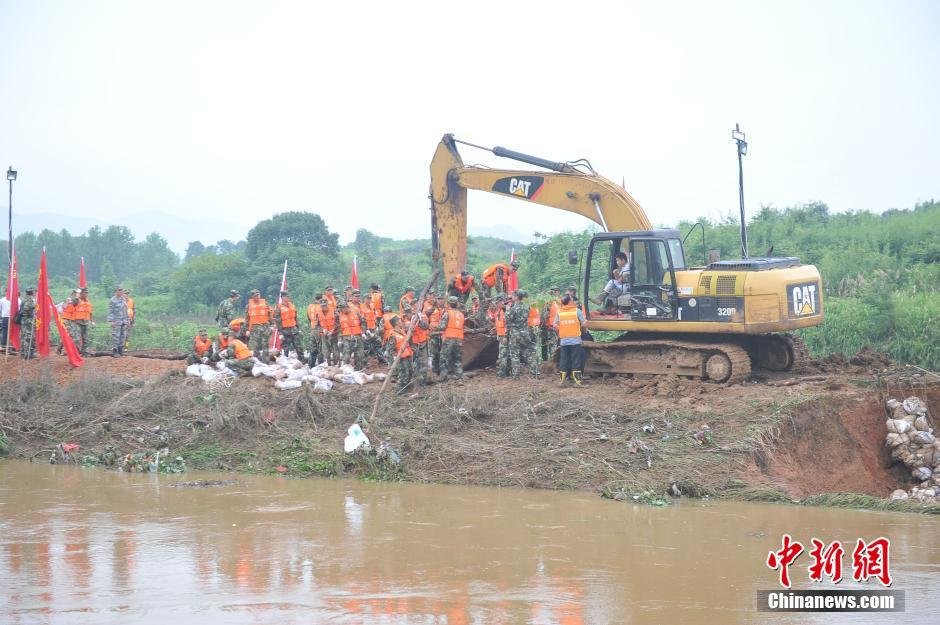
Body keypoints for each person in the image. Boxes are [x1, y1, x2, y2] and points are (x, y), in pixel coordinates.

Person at [553, 294, 587, 385]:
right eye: (571, 299)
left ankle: (562, 381)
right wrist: (583, 332)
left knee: (564, 359)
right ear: (569, 301)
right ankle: (577, 381)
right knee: (576, 360)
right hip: (575, 340)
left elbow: (555, 325)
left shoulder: (559, 312)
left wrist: (560, 333)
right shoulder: (576, 311)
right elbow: (584, 324)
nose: (572, 300)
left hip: (564, 340)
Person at [507, 289, 538, 379]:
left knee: (515, 354)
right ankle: (535, 372)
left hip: (515, 334)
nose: (512, 297)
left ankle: (516, 375)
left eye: (513, 296)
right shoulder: (526, 307)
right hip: (525, 333)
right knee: (528, 353)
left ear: (517, 297)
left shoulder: (513, 308)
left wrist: (508, 310)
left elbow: (508, 319)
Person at [437, 295, 465, 381]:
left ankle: (443, 377)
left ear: (449, 304)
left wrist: (435, 327)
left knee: (444, 357)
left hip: (449, 338)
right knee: (457, 357)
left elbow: (442, 326)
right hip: (459, 338)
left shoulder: (447, 313)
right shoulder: (461, 314)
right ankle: (459, 375)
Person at [406, 303, 431, 385]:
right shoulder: (408, 319)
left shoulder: (421, 317)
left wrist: (419, 320)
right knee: (416, 362)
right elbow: (407, 330)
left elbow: (426, 326)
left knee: (424, 361)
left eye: (408, 313)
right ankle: (416, 379)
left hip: (423, 342)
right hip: (414, 343)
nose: (407, 315)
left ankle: (423, 380)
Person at [245, 289, 273, 361]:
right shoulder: (248, 306)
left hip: (265, 326)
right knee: (255, 346)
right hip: (255, 327)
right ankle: (256, 361)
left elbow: (270, 314)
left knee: (265, 344)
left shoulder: (265, 303)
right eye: (255, 295)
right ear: (252, 296)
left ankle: (266, 361)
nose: (257, 297)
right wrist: (247, 330)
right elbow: (247, 319)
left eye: (258, 295)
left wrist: (272, 325)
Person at [338, 298, 366, 368]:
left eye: (342, 309)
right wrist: (339, 340)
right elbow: (339, 328)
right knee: (346, 354)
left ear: (347, 307)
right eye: (340, 309)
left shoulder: (356, 312)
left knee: (359, 354)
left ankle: (359, 369)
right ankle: (346, 369)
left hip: (357, 336)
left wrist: (363, 332)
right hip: (346, 337)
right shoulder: (339, 315)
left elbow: (363, 322)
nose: (342, 311)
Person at [273, 291, 303, 358]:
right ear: (283, 297)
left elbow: (295, 317)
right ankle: (285, 361)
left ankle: (302, 360)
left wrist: (299, 328)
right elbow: (277, 321)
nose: (288, 298)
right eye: (287, 296)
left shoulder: (291, 305)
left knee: (298, 345)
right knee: (286, 347)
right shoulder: (278, 307)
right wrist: (280, 333)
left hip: (294, 329)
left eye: (289, 296)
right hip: (285, 330)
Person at [388, 315, 413, 394]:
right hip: (401, 357)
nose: (401, 321)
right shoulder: (392, 335)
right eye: (399, 320)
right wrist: (395, 356)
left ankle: (406, 385)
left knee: (410, 371)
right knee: (403, 372)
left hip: (407, 354)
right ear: (396, 323)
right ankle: (399, 388)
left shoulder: (402, 331)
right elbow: (391, 349)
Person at [106, 286, 129, 357]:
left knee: (123, 336)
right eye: (119, 291)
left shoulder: (123, 299)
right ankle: (115, 351)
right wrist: (111, 321)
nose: (121, 292)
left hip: (123, 321)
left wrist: (127, 320)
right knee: (116, 336)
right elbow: (110, 311)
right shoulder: (113, 300)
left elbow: (125, 310)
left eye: (121, 291)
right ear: (116, 292)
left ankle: (120, 350)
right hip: (116, 321)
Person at [315, 299, 339, 365]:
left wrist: (332, 330)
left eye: (325, 306)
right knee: (326, 351)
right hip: (324, 334)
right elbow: (317, 325)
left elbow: (338, 323)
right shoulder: (318, 313)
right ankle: (328, 364)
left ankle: (336, 364)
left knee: (335, 350)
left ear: (327, 305)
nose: (324, 307)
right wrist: (322, 329)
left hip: (334, 334)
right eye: (322, 306)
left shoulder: (334, 311)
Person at [542, 288, 561, 361]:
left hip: (552, 327)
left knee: (552, 345)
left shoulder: (551, 304)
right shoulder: (554, 303)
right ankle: (550, 360)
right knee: (550, 345)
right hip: (550, 326)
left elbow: (544, 317)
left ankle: (553, 361)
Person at [73, 288, 94, 355]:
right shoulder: (77, 300)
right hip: (78, 322)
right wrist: (76, 296)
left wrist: (92, 321)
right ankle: (77, 352)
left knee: (85, 338)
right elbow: (73, 304)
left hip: (86, 322)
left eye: (87, 293)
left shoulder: (88, 302)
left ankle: (83, 352)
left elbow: (90, 312)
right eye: (85, 293)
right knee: (77, 338)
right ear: (81, 294)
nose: (86, 294)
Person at [493, 295, 510, 377]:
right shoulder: (499, 311)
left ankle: (503, 372)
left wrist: (506, 336)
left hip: (504, 336)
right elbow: (499, 323)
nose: (497, 304)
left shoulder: (505, 311)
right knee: (503, 354)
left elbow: (508, 325)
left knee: (503, 354)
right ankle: (505, 371)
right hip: (500, 335)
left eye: (498, 302)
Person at [18, 288, 37, 359]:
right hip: (28, 320)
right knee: (28, 337)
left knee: (23, 336)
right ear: (31, 293)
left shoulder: (24, 299)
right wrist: (34, 307)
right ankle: (28, 354)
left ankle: (23, 353)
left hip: (23, 319)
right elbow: (27, 309)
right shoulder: (30, 300)